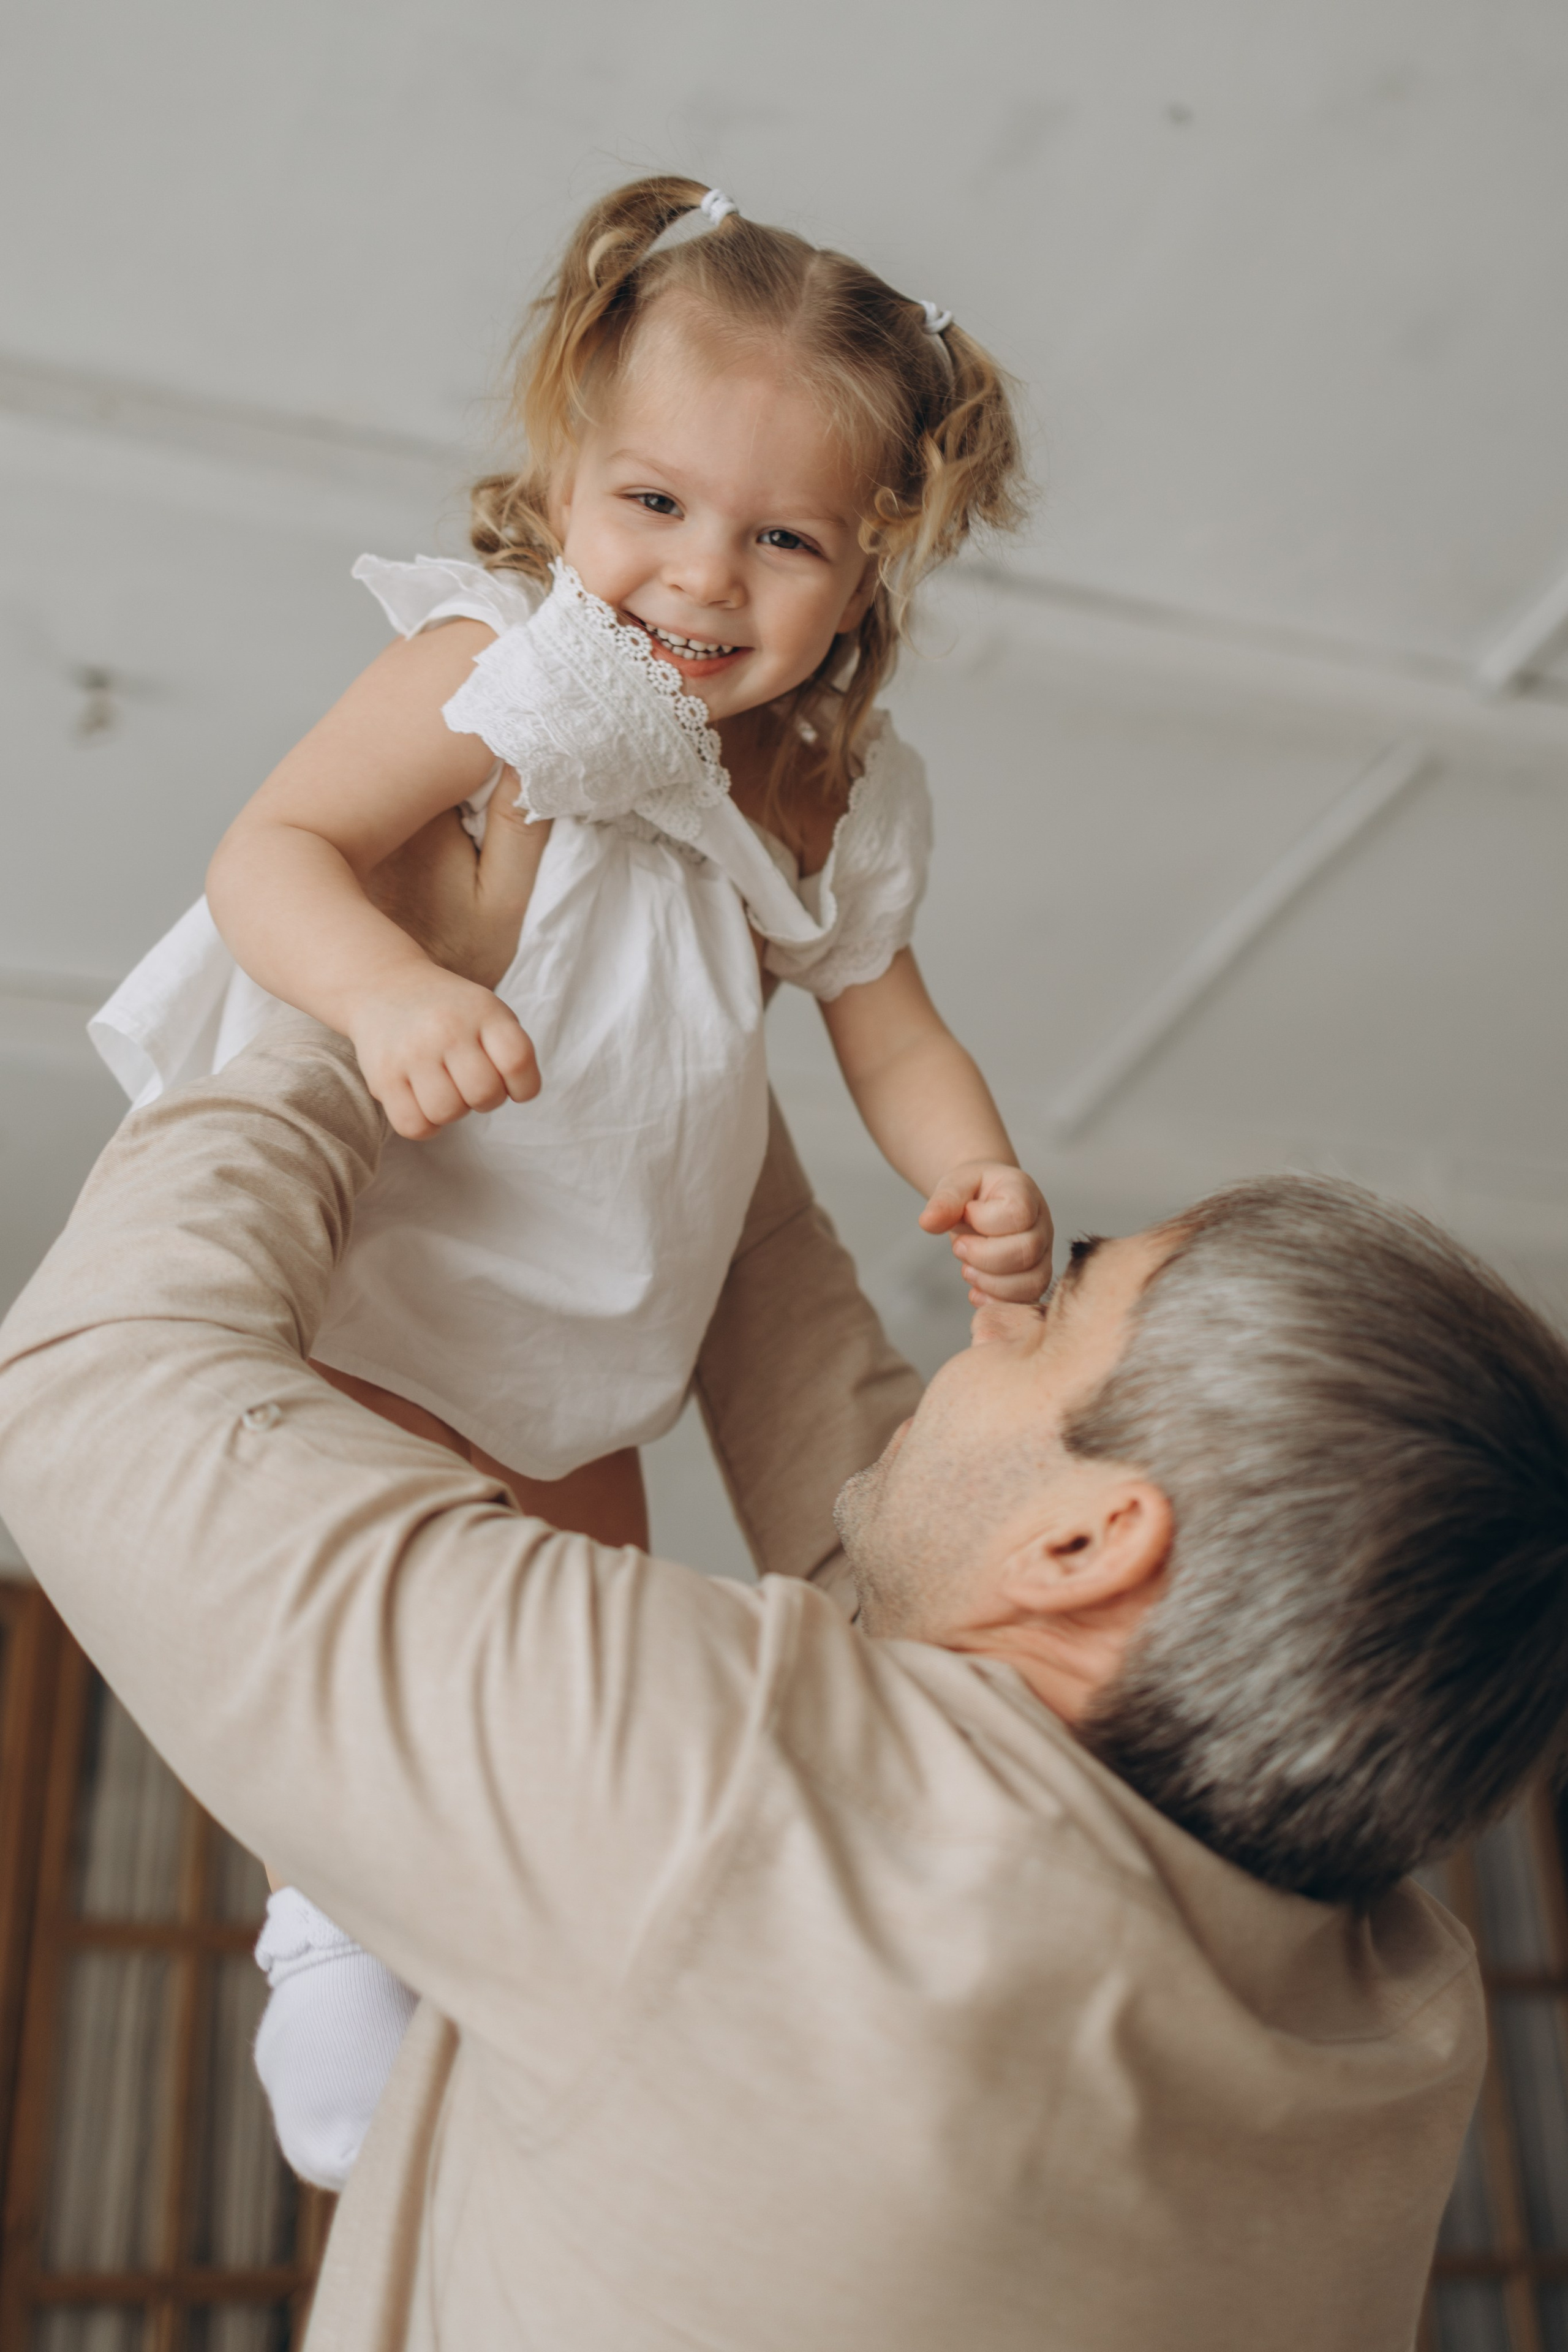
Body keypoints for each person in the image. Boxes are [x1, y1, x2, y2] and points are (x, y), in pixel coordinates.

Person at [5, 826, 1568, 2348]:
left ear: (1092, 1545)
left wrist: (367, 997)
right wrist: (655, 1037)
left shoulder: (730, 1815)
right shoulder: (1386, 2023)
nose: (992, 1328)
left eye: (1066, 1299)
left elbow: (97, 1391)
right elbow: (912, 1579)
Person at [87, 172, 1054, 2174]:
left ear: (874, 558)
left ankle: (505, 1959)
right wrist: (378, 995)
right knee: (352, 1622)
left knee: (563, 1636)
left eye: (781, 538)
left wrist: (977, 1180)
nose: (703, 579)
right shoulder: (493, 664)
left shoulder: (826, 791)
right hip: (409, 1251)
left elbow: (890, 1030)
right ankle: (326, 1924)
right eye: (657, 505)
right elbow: (269, 853)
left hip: (607, 1300)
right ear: (565, 468)